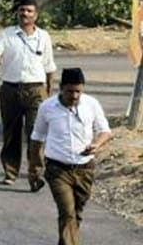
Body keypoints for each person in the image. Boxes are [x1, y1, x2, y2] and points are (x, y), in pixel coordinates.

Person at [30, 67, 113, 245]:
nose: (74, 96)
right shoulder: (47, 107)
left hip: (84, 169)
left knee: (76, 213)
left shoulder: (91, 104)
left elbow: (105, 131)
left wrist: (96, 144)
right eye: (70, 91)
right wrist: (34, 168)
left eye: (78, 91)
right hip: (57, 170)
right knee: (67, 212)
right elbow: (37, 137)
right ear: (61, 88)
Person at [0, 0, 56, 189]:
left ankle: (35, 175)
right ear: (17, 13)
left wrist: (49, 92)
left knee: (36, 133)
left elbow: (49, 66)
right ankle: (10, 171)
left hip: (36, 90)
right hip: (10, 90)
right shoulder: (6, 34)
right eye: (22, 10)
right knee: (11, 133)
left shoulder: (44, 36)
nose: (25, 13)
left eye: (29, 11)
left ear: (36, 15)